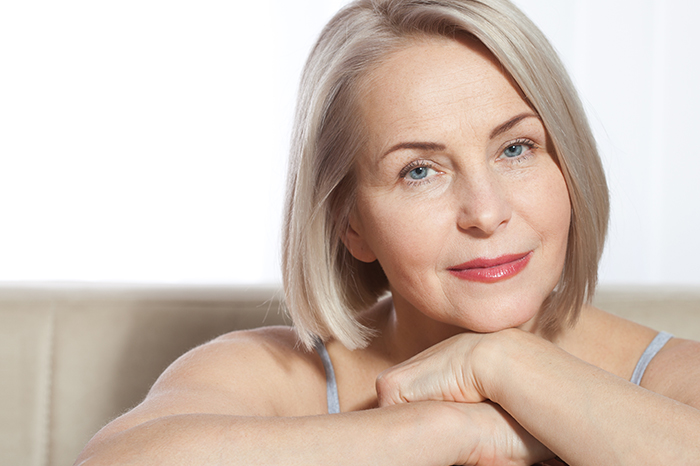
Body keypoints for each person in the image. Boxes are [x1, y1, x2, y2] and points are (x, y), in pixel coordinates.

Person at [75, 0, 700, 464]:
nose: (485, 212)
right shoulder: (273, 377)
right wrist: (455, 430)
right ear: (351, 223)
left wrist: (507, 363)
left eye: (516, 148)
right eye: (419, 170)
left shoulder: (671, 379)